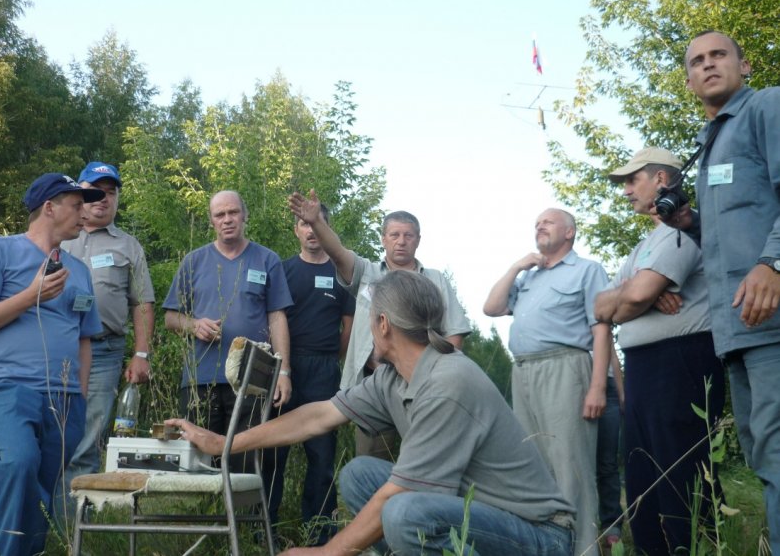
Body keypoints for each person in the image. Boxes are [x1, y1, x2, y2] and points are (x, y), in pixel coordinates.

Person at [168, 270, 576, 556]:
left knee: (403, 510)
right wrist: (224, 443)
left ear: (382, 324)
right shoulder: (393, 377)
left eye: (368, 319)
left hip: (537, 535)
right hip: (476, 511)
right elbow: (317, 417)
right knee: (359, 475)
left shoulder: (448, 380)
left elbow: (403, 492)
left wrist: (329, 551)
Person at [0, 173, 105, 556]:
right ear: (49, 208)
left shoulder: (80, 270)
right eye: (76, 205)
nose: (84, 213)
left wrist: (81, 396)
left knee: (43, 486)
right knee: (19, 461)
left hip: (66, 399)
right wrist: (29, 296)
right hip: (9, 386)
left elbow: (84, 338)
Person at [672, 30, 780, 553]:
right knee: (764, 454)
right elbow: (730, 237)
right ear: (689, 80)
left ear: (746, 65)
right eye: (697, 61)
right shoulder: (709, 143)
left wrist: (773, 261)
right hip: (737, 327)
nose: (708, 65)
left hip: (773, 315)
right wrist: (691, 224)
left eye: (719, 55)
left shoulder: (767, 107)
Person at [594, 147, 725, 555]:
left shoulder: (681, 233)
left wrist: (636, 298)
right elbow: (601, 308)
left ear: (663, 181)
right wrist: (635, 298)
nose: (627, 190)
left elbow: (633, 296)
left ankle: (695, 549)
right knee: (642, 471)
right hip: (645, 367)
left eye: (634, 180)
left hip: (681, 361)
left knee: (679, 471)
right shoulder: (643, 247)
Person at [287, 190, 470, 460]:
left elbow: (454, 334)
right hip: (376, 384)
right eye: (394, 235)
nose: (401, 241)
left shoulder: (436, 280)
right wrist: (317, 223)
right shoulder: (367, 273)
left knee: (429, 458)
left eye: (408, 235)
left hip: (426, 386)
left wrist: (436, 375)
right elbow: (337, 253)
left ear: (418, 240)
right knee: (371, 462)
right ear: (383, 239)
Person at [483, 208, 611, 556]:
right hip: (523, 371)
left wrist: (598, 386)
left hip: (565, 369)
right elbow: (491, 308)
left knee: (571, 465)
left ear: (569, 232)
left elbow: (601, 329)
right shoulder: (529, 278)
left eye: (548, 221)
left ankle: (584, 549)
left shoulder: (587, 271)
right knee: (534, 465)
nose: (539, 225)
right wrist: (514, 268)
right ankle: (546, 546)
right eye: (536, 222)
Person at [54, 162, 156, 526]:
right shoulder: (57, 237)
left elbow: (142, 302)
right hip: (55, 349)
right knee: (52, 429)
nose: (103, 199)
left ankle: (75, 526)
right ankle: (42, 520)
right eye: (95, 191)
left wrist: (141, 353)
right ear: (80, 195)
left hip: (104, 351)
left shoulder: (128, 245)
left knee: (89, 433)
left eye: (110, 192)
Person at [163, 190, 292, 451]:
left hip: (252, 380)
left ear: (245, 215)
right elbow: (170, 317)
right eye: (219, 215)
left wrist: (284, 372)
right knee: (197, 460)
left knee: (245, 462)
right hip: (201, 380)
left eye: (233, 212)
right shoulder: (193, 261)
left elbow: (277, 317)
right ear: (212, 221)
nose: (227, 219)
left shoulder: (267, 260)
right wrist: (194, 325)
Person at [265, 205, 355, 545]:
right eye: (304, 224)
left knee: (322, 455)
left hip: (324, 369)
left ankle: (319, 535)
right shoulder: (282, 271)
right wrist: (282, 365)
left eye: (317, 224)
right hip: (283, 368)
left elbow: (348, 326)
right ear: (296, 230)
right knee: (274, 450)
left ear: (326, 229)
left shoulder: (342, 274)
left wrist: (333, 359)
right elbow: (273, 319)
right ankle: (265, 527)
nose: (311, 230)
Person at [595, 355, 624, 555]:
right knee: (576, 461)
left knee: (607, 462)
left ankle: (611, 523)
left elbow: (611, 350)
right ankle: (579, 524)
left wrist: (622, 393)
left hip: (609, 384)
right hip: (573, 378)